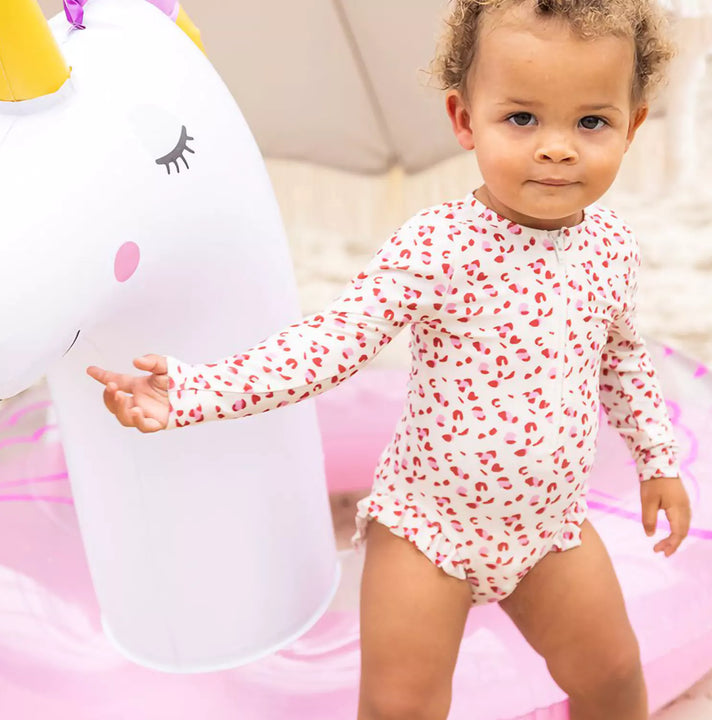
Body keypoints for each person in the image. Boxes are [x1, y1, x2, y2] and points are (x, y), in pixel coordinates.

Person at [87, 1, 692, 718]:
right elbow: (329, 345)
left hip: (549, 527)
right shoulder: (439, 246)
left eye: (591, 121)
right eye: (522, 118)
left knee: (616, 675)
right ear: (465, 120)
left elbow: (622, 358)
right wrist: (193, 391)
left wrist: (657, 459)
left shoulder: (611, 249)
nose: (557, 148)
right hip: (429, 529)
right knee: (399, 708)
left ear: (633, 125)